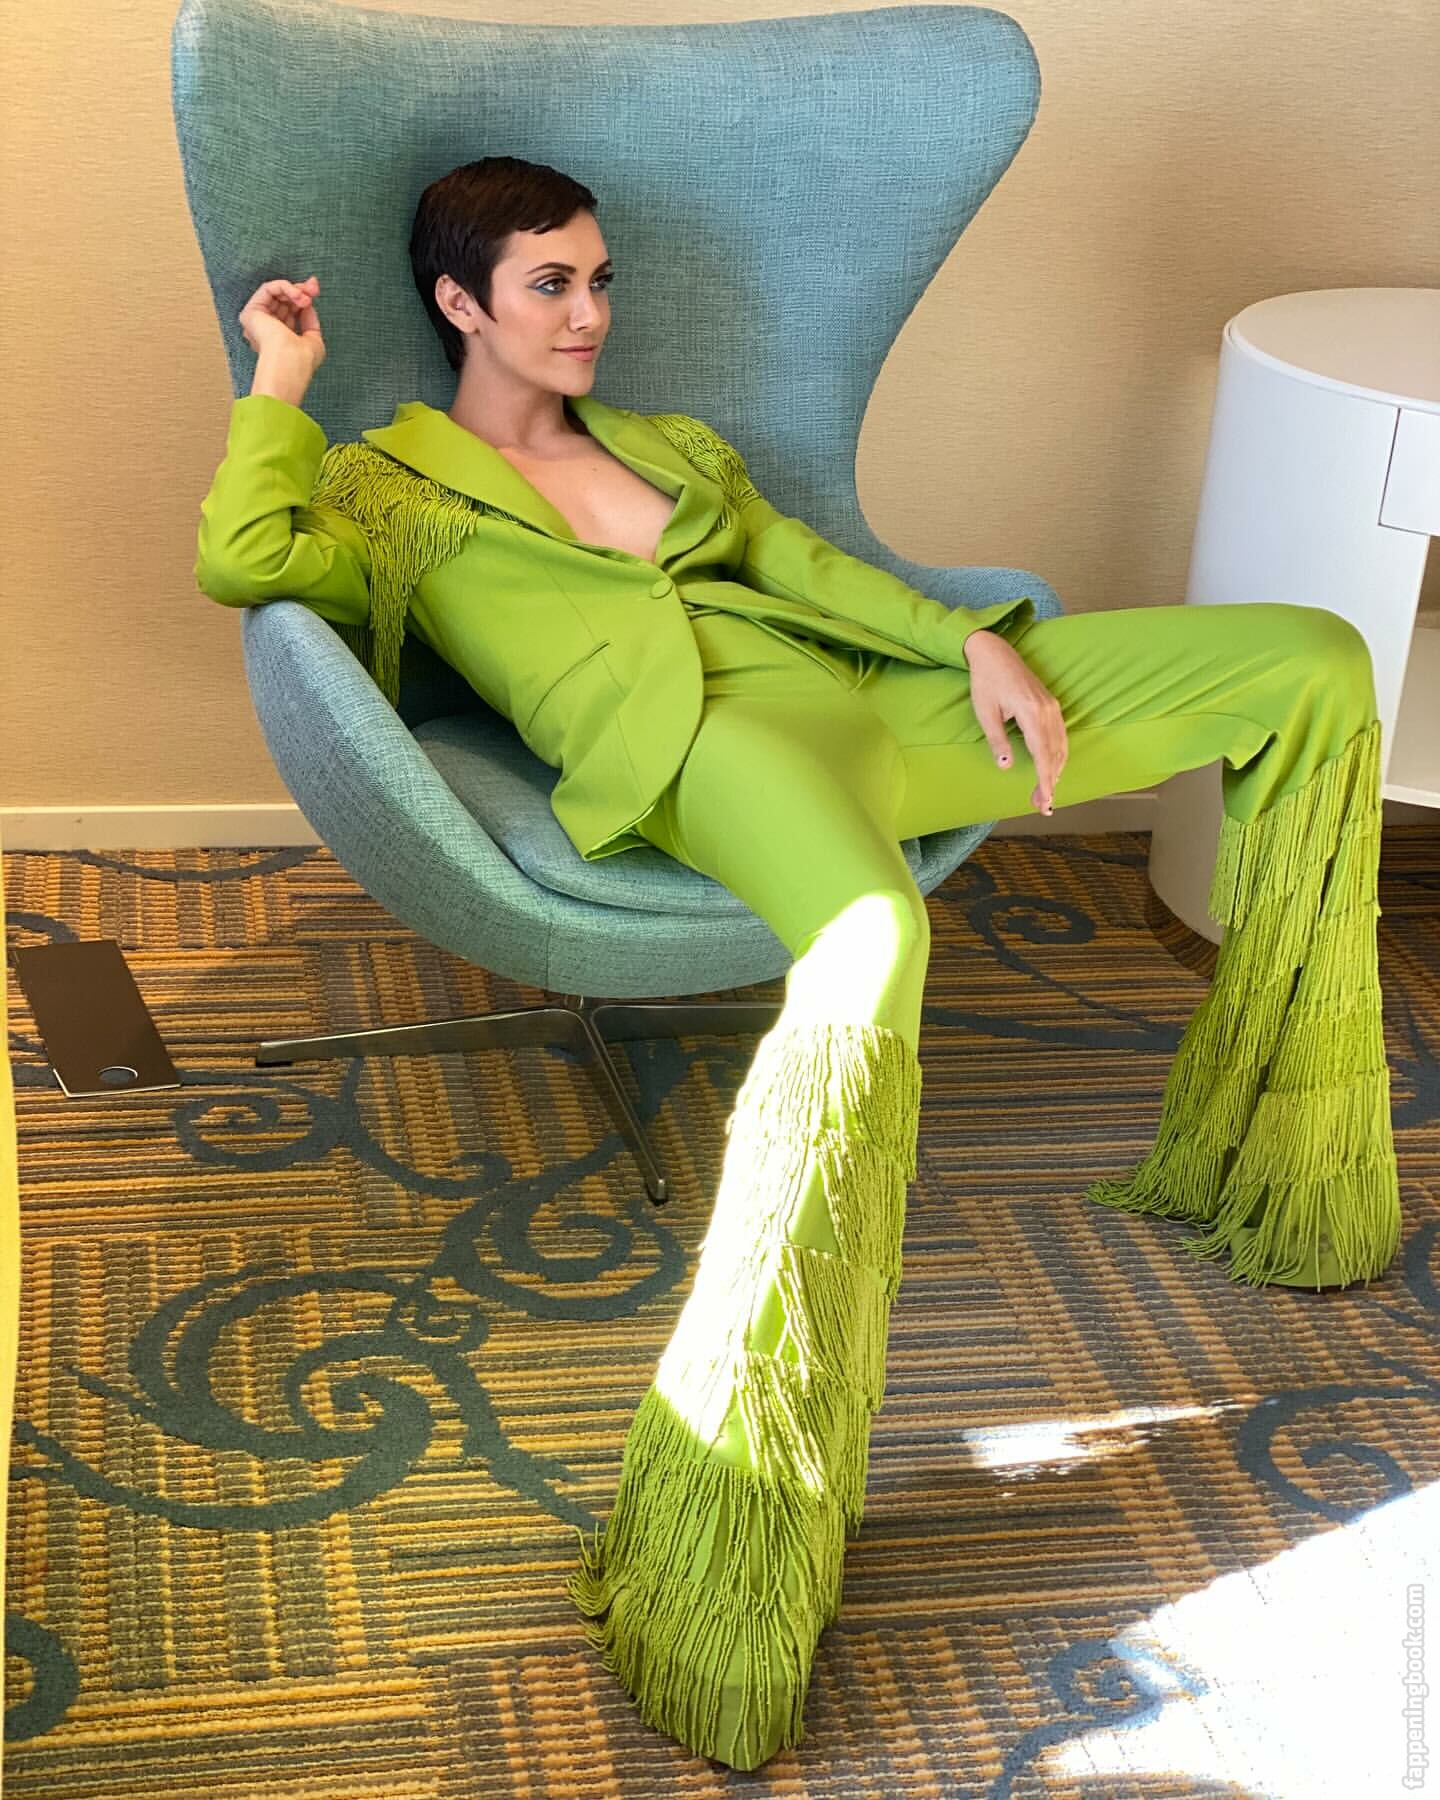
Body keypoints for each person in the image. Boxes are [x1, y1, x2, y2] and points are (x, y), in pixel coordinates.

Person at [196, 156, 1400, 1771]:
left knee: (1309, 658)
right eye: (550, 284)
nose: (589, 313)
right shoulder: (389, 495)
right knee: (875, 935)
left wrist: (969, 641)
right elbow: (244, 559)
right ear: (459, 302)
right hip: (712, 750)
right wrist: (278, 385)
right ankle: (737, 1498)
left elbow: (807, 573)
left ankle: (1287, 1168)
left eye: (600, 280)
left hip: (877, 706)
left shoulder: (673, 448)